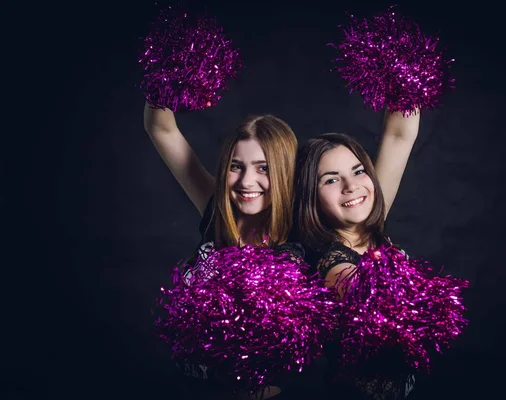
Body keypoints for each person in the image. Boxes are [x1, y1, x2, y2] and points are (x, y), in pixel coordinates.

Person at [144, 103, 302, 399]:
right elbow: (160, 128)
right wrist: (169, 74)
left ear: (285, 171)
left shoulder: (300, 243)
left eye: (263, 168)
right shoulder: (216, 211)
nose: (246, 181)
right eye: (235, 166)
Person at [293, 110, 421, 399]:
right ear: (310, 197)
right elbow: (380, 310)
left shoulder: (367, 226)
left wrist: (404, 74)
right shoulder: (332, 262)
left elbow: (399, 135)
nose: (352, 186)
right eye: (330, 180)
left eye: (358, 170)